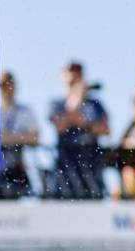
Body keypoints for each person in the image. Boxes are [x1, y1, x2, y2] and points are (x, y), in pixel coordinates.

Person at [49, 61, 110, 199]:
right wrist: (76, 99)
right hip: (66, 166)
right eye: (71, 72)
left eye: (78, 73)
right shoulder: (57, 103)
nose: (75, 77)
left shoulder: (95, 103)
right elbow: (60, 126)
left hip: (91, 165)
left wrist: (85, 124)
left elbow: (105, 129)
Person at [0, 70, 39, 199]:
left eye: (9, 84)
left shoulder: (25, 111)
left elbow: (35, 137)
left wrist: (6, 137)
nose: (6, 88)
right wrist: (20, 137)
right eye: (2, 84)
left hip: (15, 168)